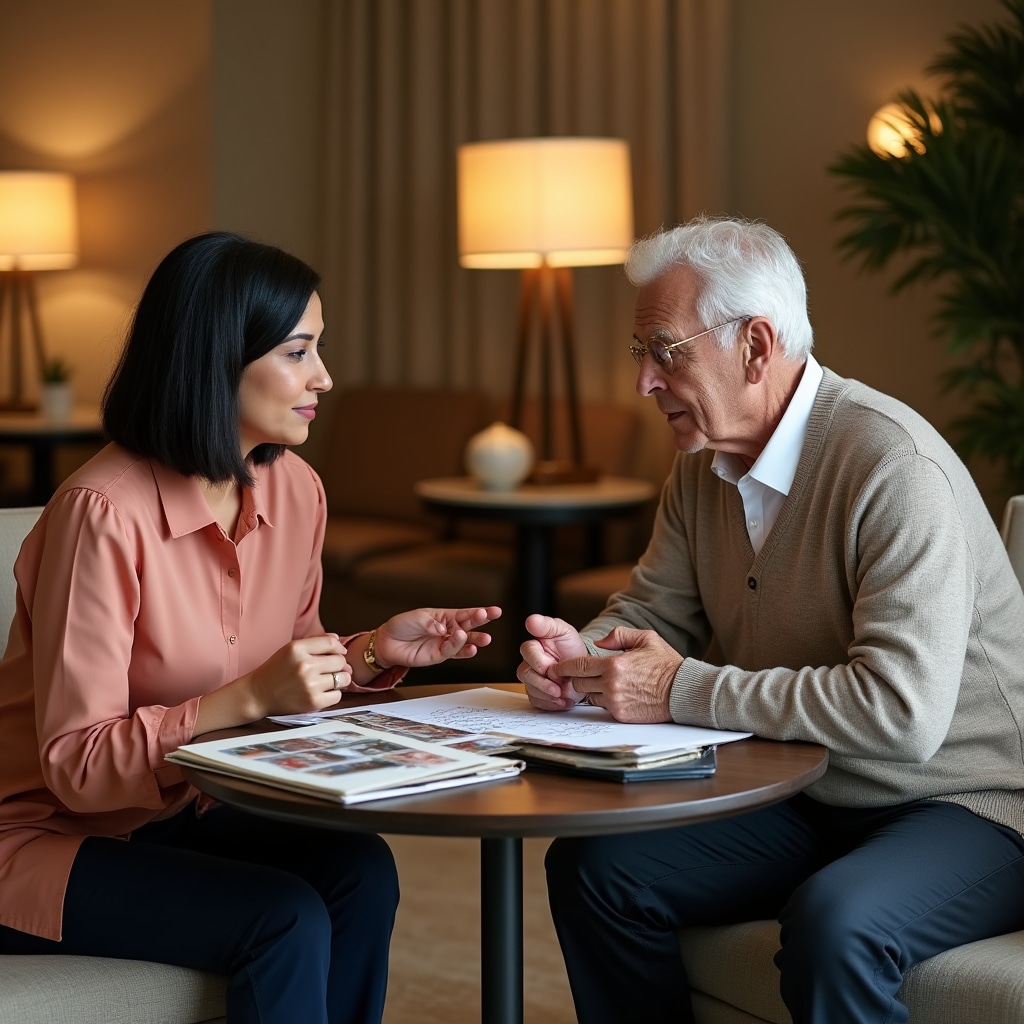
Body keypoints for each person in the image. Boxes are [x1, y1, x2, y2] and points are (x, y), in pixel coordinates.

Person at [518, 215, 1024, 1024]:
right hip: (807, 790)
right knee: (598, 871)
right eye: (638, 352)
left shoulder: (894, 466)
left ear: (755, 345)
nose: (644, 381)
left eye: (665, 351)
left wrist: (679, 690)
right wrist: (583, 661)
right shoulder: (699, 470)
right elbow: (655, 612)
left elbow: (900, 716)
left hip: (965, 805)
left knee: (838, 923)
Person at [0, 231, 502, 1024]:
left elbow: (284, 673)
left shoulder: (295, 489)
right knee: (283, 917)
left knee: (360, 870)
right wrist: (245, 696)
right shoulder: (101, 514)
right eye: (299, 352)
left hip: (186, 812)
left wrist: (369, 653)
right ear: (216, 358)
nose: (324, 378)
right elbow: (77, 764)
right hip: (46, 844)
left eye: (320, 349)